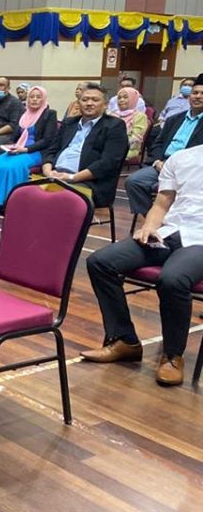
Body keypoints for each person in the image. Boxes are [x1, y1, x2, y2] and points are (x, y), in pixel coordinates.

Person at [82, 142, 203, 386]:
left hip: (200, 241)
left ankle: (172, 356)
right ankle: (124, 340)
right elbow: (162, 203)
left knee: (172, 279)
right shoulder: (181, 157)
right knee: (101, 262)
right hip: (170, 232)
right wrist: (148, 227)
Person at [125, 76, 203, 219]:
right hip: (163, 165)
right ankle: (154, 220)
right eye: (195, 93)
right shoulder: (174, 119)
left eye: (202, 94)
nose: (198, 96)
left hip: (189, 170)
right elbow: (158, 143)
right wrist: (157, 161)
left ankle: (173, 222)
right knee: (134, 181)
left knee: (185, 191)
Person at [41, 83, 128, 209]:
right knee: (25, 194)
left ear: (105, 105)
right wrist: (48, 172)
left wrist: (72, 177)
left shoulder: (114, 126)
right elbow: (51, 151)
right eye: (85, 100)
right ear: (79, 103)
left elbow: (108, 163)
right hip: (55, 175)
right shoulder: (69, 123)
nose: (89, 103)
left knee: (57, 200)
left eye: (95, 100)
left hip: (89, 183)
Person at [0, 85, 57, 210]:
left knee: (11, 167)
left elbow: (47, 140)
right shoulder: (24, 114)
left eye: (38, 97)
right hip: (18, 149)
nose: (34, 99)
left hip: (35, 151)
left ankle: (10, 203)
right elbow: (15, 136)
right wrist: (10, 146)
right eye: (32, 97)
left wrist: (25, 149)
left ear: (44, 99)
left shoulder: (49, 114)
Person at [111, 87, 149, 161]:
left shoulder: (140, 116)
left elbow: (136, 138)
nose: (121, 100)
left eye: (125, 97)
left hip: (128, 149)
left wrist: (114, 144)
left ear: (133, 99)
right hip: (110, 146)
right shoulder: (112, 114)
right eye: (119, 98)